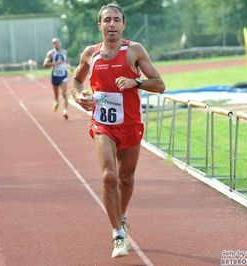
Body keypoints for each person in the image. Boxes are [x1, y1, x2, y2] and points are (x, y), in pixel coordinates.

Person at [71, 3, 165, 259]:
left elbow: (160, 84)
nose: (111, 24)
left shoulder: (133, 50)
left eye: (116, 20)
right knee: (109, 177)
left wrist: (135, 82)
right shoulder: (90, 53)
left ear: (123, 25)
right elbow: (76, 80)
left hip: (131, 124)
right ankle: (118, 234)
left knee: (126, 178)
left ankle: (121, 216)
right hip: (102, 124)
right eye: (107, 20)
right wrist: (79, 96)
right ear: (99, 25)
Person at [43, 37, 72, 119]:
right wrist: (55, 63)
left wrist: (69, 67)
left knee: (64, 93)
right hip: (55, 76)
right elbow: (45, 64)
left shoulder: (65, 52)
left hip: (63, 75)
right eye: (55, 42)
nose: (57, 43)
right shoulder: (51, 53)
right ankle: (57, 101)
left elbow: (66, 62)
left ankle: (65, 111)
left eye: (58, 42)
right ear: (53, 45)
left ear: (60, 43)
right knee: (56, 96)